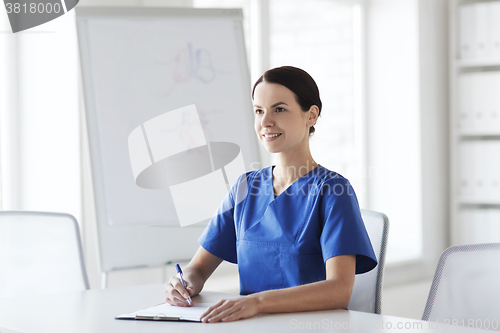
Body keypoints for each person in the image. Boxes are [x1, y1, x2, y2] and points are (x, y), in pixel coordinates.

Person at [164, 66, 377, 323]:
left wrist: (257, 302)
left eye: (279, 109)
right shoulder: (245, 188)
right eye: (258, 111)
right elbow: (197, 268)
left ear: (311, 116)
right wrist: (184, 283)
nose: (265, 122)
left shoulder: (333, 191)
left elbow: (339, 290)